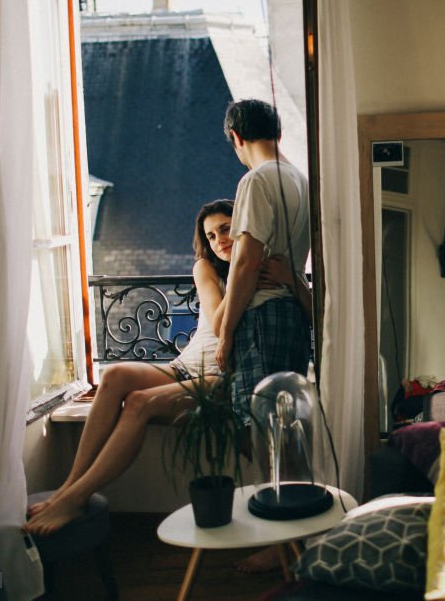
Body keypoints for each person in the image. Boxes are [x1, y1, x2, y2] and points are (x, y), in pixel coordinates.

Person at [23, 199, 299, 537]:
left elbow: (310, 311)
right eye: (211, 236)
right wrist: (245, 274)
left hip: (219, 376)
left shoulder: (269, 264)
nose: (219, 241)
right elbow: (215, 322)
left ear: (242, 227)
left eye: (226, 229)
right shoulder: (207, 268)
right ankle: (68, 487)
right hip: (185, 364)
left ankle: (77, 498)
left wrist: (273, 275)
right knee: (114, 376)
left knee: (139, 402)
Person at [215, 99, 311, 418]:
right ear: (278, 134)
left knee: (255, 418)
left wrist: (226, 334)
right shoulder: (303, 181)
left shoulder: (257, 180)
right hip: (293, 315)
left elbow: (246, 263)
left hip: (260, 315)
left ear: (237, 137)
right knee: (287, 419)